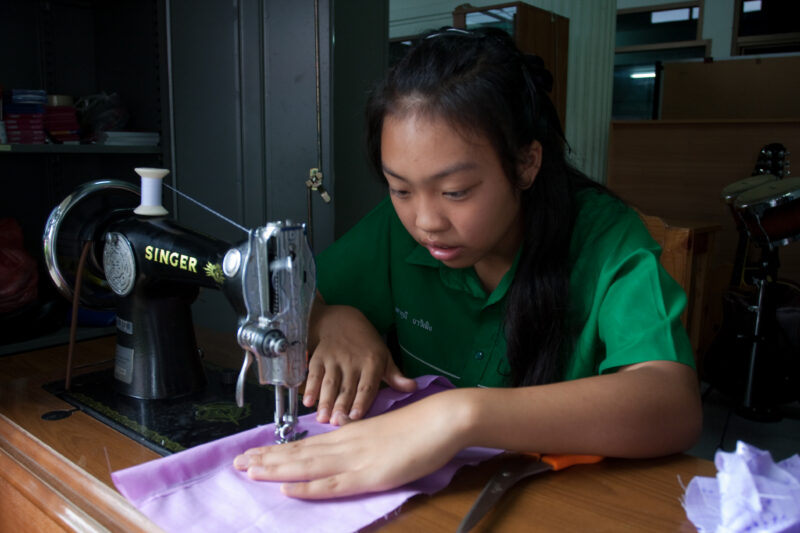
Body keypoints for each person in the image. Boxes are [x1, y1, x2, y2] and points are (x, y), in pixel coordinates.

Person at [233, 27, 702, 499]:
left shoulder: (604, 238)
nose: (426, 221)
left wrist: (459, 415)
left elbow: (671, 404)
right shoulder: (395, 230)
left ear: (526, 164)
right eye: (400, 189)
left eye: (455, 192)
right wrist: (332, 318)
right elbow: (298, 294)